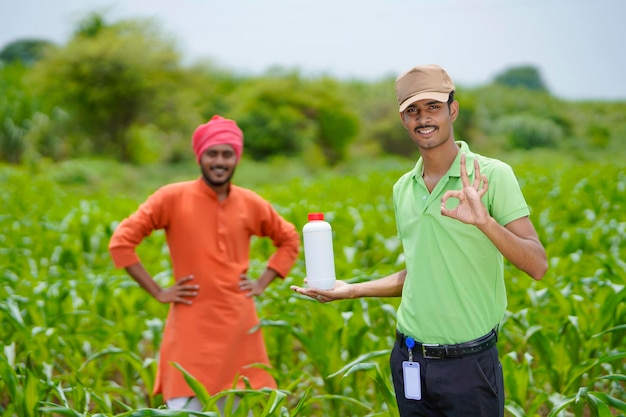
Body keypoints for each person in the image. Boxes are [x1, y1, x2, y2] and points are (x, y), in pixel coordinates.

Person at [291, 64, 548, 417]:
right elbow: (420, 273)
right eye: (412, 110)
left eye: (432, 107)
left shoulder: (490, 175)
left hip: (468, 365)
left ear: (452, 110)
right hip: (410, 359)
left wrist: (485, 222)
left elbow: (537, 265)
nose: (423, 118)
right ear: (403, 120)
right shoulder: (403, 188)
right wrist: (351, 290)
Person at [109, 115, 300, 412]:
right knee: (184, 407)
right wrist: (158, 292)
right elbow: (121, 241)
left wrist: (262, 282)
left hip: (240, 329)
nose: (219, 161)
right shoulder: (171, 197)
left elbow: (288, 238)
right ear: (200, 156)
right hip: (190, 328)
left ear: (237, 158)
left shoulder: (250, 202)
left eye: (228, 154)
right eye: (212, 153)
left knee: (239, 406)